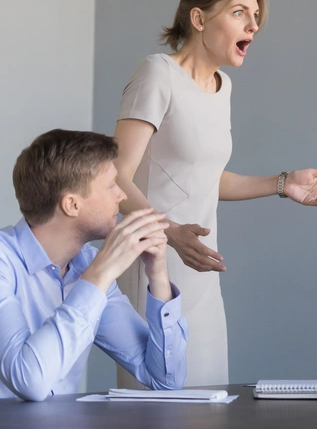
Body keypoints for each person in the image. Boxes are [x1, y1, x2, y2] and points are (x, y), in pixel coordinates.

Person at [113, 0, 317, 387]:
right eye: (240, 12)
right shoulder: (156, 74)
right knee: (157, 406)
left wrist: (282, 184)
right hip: (154, 265)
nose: (253, 25)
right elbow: (115, 176)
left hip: (201, 272)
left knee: (208, 401)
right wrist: (169, 231)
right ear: (198, 18)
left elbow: (203, 177)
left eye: (256, 16)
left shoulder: (223, 87)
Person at [0, 129, 187, 401]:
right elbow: (30, 382)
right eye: (111, 185)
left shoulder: (87, 265)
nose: (122, 195)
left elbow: (165, 379)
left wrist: (157, 274)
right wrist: (99, 276)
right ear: (72, 204)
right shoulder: (6, 261)